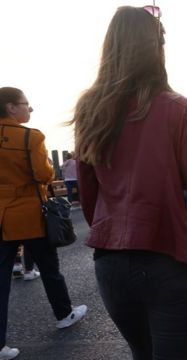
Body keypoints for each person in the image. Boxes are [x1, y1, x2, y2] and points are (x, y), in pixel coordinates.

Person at [70, 6, 187, 359]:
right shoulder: (182, 110)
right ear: (157, 48)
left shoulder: (90, 110)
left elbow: (89, 196)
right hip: (170, 256)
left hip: (110, 261)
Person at [0, 87, 88, 360]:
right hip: (28, 213)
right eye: (26, 104)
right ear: (11, 107)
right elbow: (42, 173)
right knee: (49, 268)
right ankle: (63, 314)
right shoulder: (30, 136)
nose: (30, 109)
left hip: (1, 216)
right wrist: (49, 167)